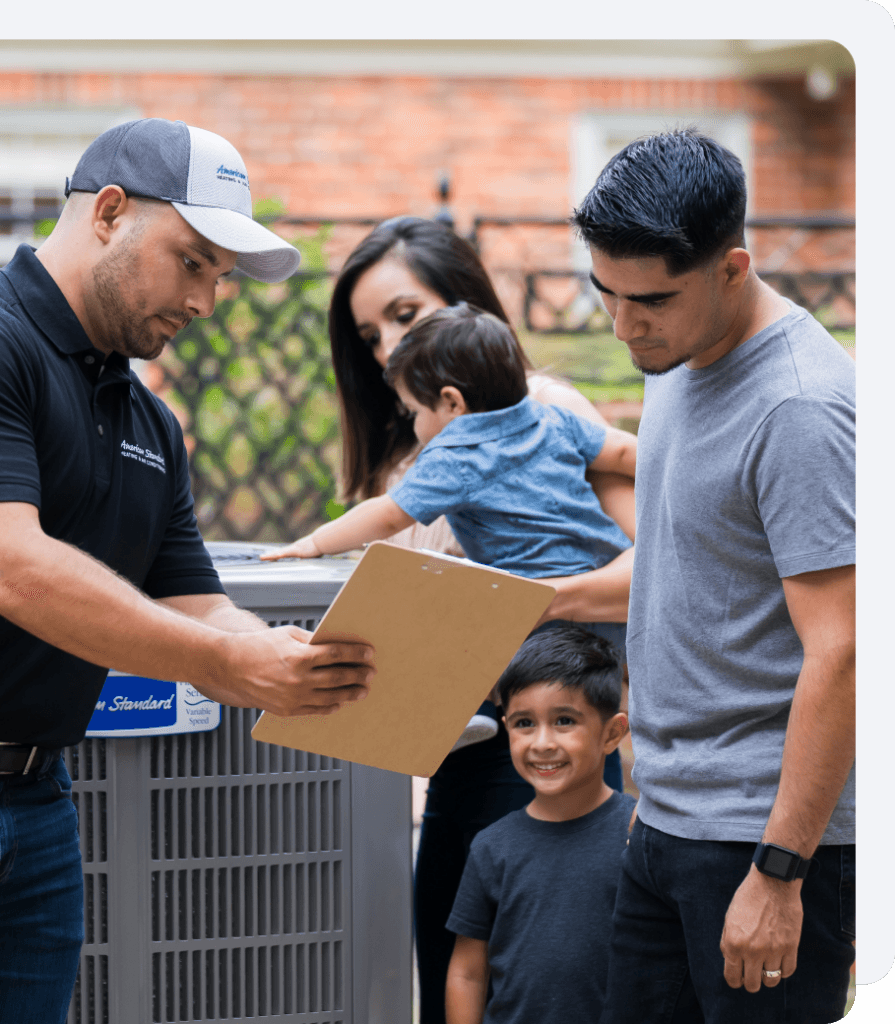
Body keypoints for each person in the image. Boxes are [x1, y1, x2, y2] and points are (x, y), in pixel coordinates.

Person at [0, 117, 375, 1024]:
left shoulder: (151, 427)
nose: (208, 301)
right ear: (108, 212)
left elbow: (195, 600)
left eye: (221, 279)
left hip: (35, 806)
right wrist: (226, 667)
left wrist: (284, 661)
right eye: (193, 262)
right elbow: (9, 570)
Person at [570, 129, 855, 1024]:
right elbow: (685, 569)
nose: (623, 326)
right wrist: (518, 600)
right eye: (604, 294)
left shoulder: (800, 407)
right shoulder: (678, 355)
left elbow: (843, 650)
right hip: (667, 821)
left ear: (733, 268)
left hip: (761, 842)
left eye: (649, 300)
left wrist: (779, 873)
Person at [322, 216, 636, 1024]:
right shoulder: (412, 456)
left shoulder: (545, 413)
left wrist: (524, 601)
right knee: (451, 964)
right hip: (453, 744)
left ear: (468, 312)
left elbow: (653, 565)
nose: (388, 347)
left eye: (406, 315)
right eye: (370, 333)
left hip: (545, 734)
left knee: (541, 978)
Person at [262, 303, 636, 668]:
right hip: (611, 598)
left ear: (452, 403)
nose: (413, 424)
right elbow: (621, 451)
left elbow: (389, 515)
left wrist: (315, 542)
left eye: (413, 411)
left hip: (537, 619)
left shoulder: (457, 458)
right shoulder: (553, 419)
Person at [445, 625, 635, 1024]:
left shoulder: (641, 836)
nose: (542, 743)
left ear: (612, 733)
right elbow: (467, 971)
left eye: (564, 721)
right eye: (524, 723)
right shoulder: (491, 847)